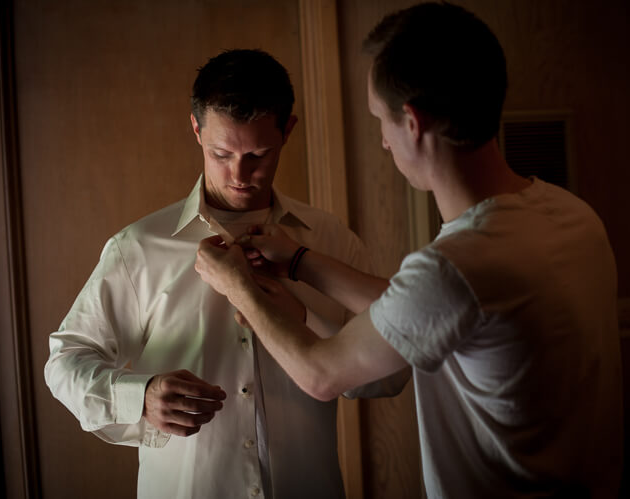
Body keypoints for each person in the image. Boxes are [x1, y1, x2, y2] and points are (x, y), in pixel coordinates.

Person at [194, 3, 624, 498]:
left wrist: (238, 286)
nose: (382, 141)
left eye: (381, 119)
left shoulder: (455, 266)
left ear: (413, 123)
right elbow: (429, 306)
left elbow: (321, 373)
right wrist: (298, 261)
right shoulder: (570, 214)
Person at [44, 49, 408, 499]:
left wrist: (303, 319)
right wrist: (140, 396)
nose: (239, 175)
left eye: (258, 154)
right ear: (196, 129)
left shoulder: (331, 241)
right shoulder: (137, 249)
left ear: (287, 130)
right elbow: (64, 362)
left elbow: (390, 376)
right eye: (221, 153)